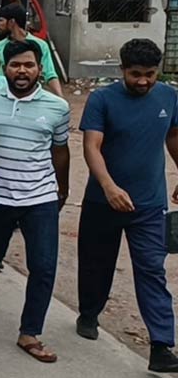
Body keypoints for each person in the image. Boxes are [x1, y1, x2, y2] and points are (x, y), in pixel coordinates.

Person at [77, 38, 178, 372]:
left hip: (149, 205)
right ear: (122, 70)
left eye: (150, 74)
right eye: (136, 74)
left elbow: (173, 137)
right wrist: (108, 187)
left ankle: (162, 345)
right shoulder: (102, 99)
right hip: (102, 202)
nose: (144, 81)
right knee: (97, 264)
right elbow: (92, 146)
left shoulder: (169, 96)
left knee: (152, 269)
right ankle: (89, 313)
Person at [0, 39, 71, 363]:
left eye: (29, 65)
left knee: (43, 266)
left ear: (40, 69)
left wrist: (62, 189)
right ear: (5, 68)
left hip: (39, 196)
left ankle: (30, 333)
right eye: (16, 65)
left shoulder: (58, 107)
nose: (22, 71)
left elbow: (60, 151)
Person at [0, 3, 62, 96]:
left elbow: (50, 74)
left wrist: (60, 98)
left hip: (32, 95)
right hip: (4, 95)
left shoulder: (41, 45)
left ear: (12, 22)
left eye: (1, 20)